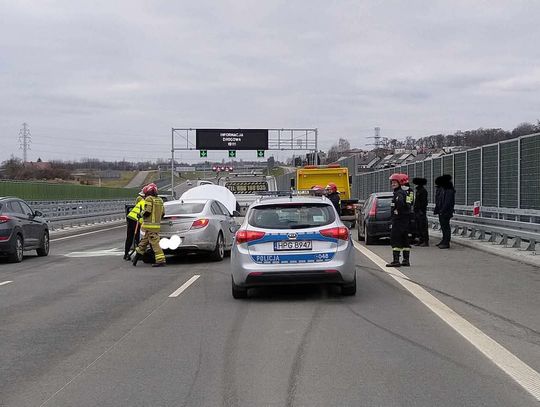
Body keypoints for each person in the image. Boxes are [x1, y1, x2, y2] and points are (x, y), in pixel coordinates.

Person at [132, 183, 166, 267]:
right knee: (143, 243)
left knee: (155, 244)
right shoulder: (160, 200)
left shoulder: (149, 199)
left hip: (149, 226)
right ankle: (137, 257)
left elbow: (147, 211)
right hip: (156, 226)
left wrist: (141, 214)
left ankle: (160, 260)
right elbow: (163, 213)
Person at [386, 173, 412, 267]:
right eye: (392, 182)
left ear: (399, 183)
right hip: (405, 220)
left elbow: (400, 203)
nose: (392, 184)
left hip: (398, 220)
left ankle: (396, 260)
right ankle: (406, 260)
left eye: (394, 182)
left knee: (395, 239)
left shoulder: (398, 193)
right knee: (405, 240)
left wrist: (397, 210)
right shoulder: (406, 192)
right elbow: (409, 205)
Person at [433, 174, 455, 249]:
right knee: (443, 226)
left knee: (445, 227)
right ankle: (444, 240)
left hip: (446, 212)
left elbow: (447, 202)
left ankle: (446, 242)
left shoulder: (449, 191)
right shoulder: (444, 190)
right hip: (442, 211)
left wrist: (442, 210)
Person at [123, 190, 146, 260]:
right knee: (137, 237)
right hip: (136, 220)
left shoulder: (141, 201)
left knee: (130, 237)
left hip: (131, 218)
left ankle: (126, 254)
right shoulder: (145, 202)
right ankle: (139, 255)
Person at [412, 177, 429, 246]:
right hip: (417, 211)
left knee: (423, 227)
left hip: (421, 211)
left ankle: (425, 241)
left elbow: (424, 202)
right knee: (418, 227)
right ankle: (420, 240)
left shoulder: (423, 191)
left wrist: (421, 210)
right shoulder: (418, 191)